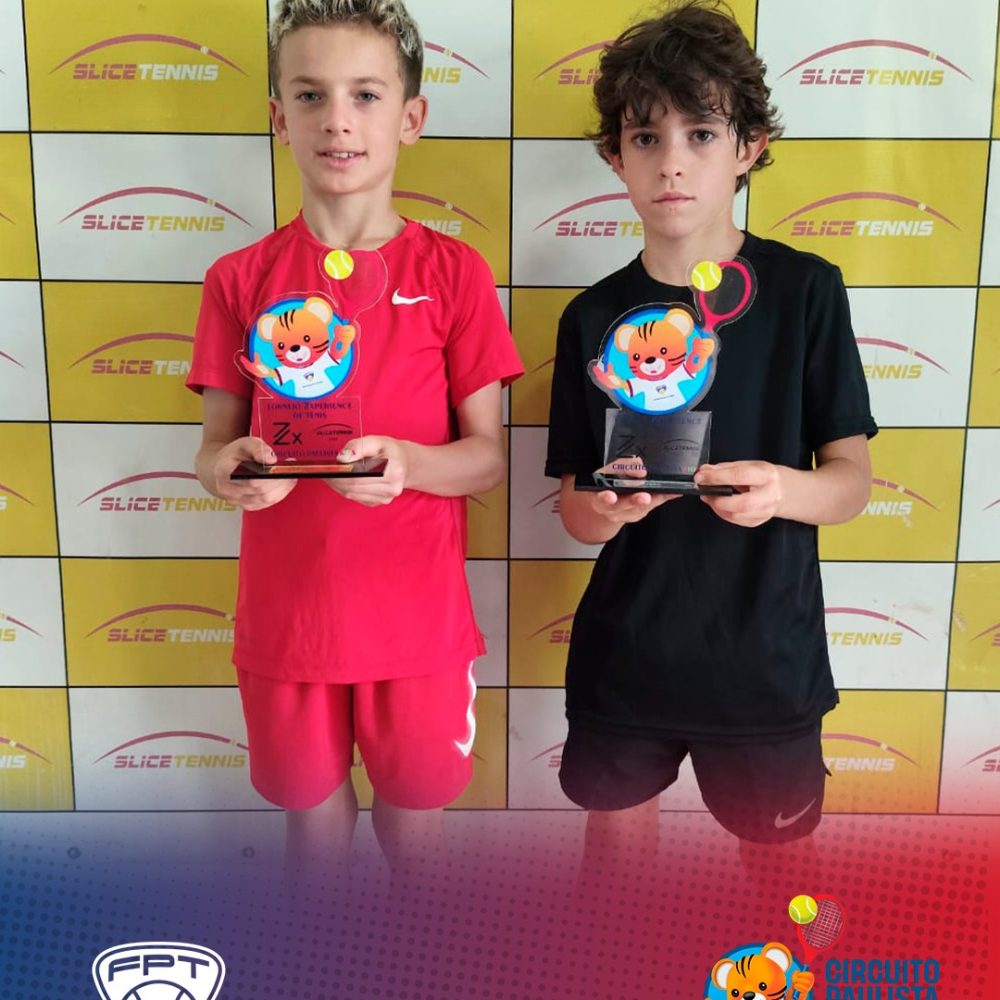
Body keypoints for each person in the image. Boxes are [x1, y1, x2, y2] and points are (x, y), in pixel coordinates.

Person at [186, 0, 522, 884]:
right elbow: (213, 448)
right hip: (288, 627)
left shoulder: (456, 273)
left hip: (417, 627)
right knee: (314, 838)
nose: (338, 119)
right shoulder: (238, 279)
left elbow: (487, 457)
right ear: (279, 116)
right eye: (311, 95)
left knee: (416, 837)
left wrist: (411, 466)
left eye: (366, 94)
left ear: (410, 118)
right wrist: (231, 472)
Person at [544, 0, 877, 881]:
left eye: (700, 133)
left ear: (749, 146)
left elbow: (850, 482)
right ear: (615, 155)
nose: (672, 162)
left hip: (766, 659)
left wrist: (781, 488)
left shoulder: (807, 291)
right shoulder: (590, 317)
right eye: (645, 138)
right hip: (628, 659)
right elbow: (574, 509)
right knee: (618, 889)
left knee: (778, 895)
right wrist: (612, 507)